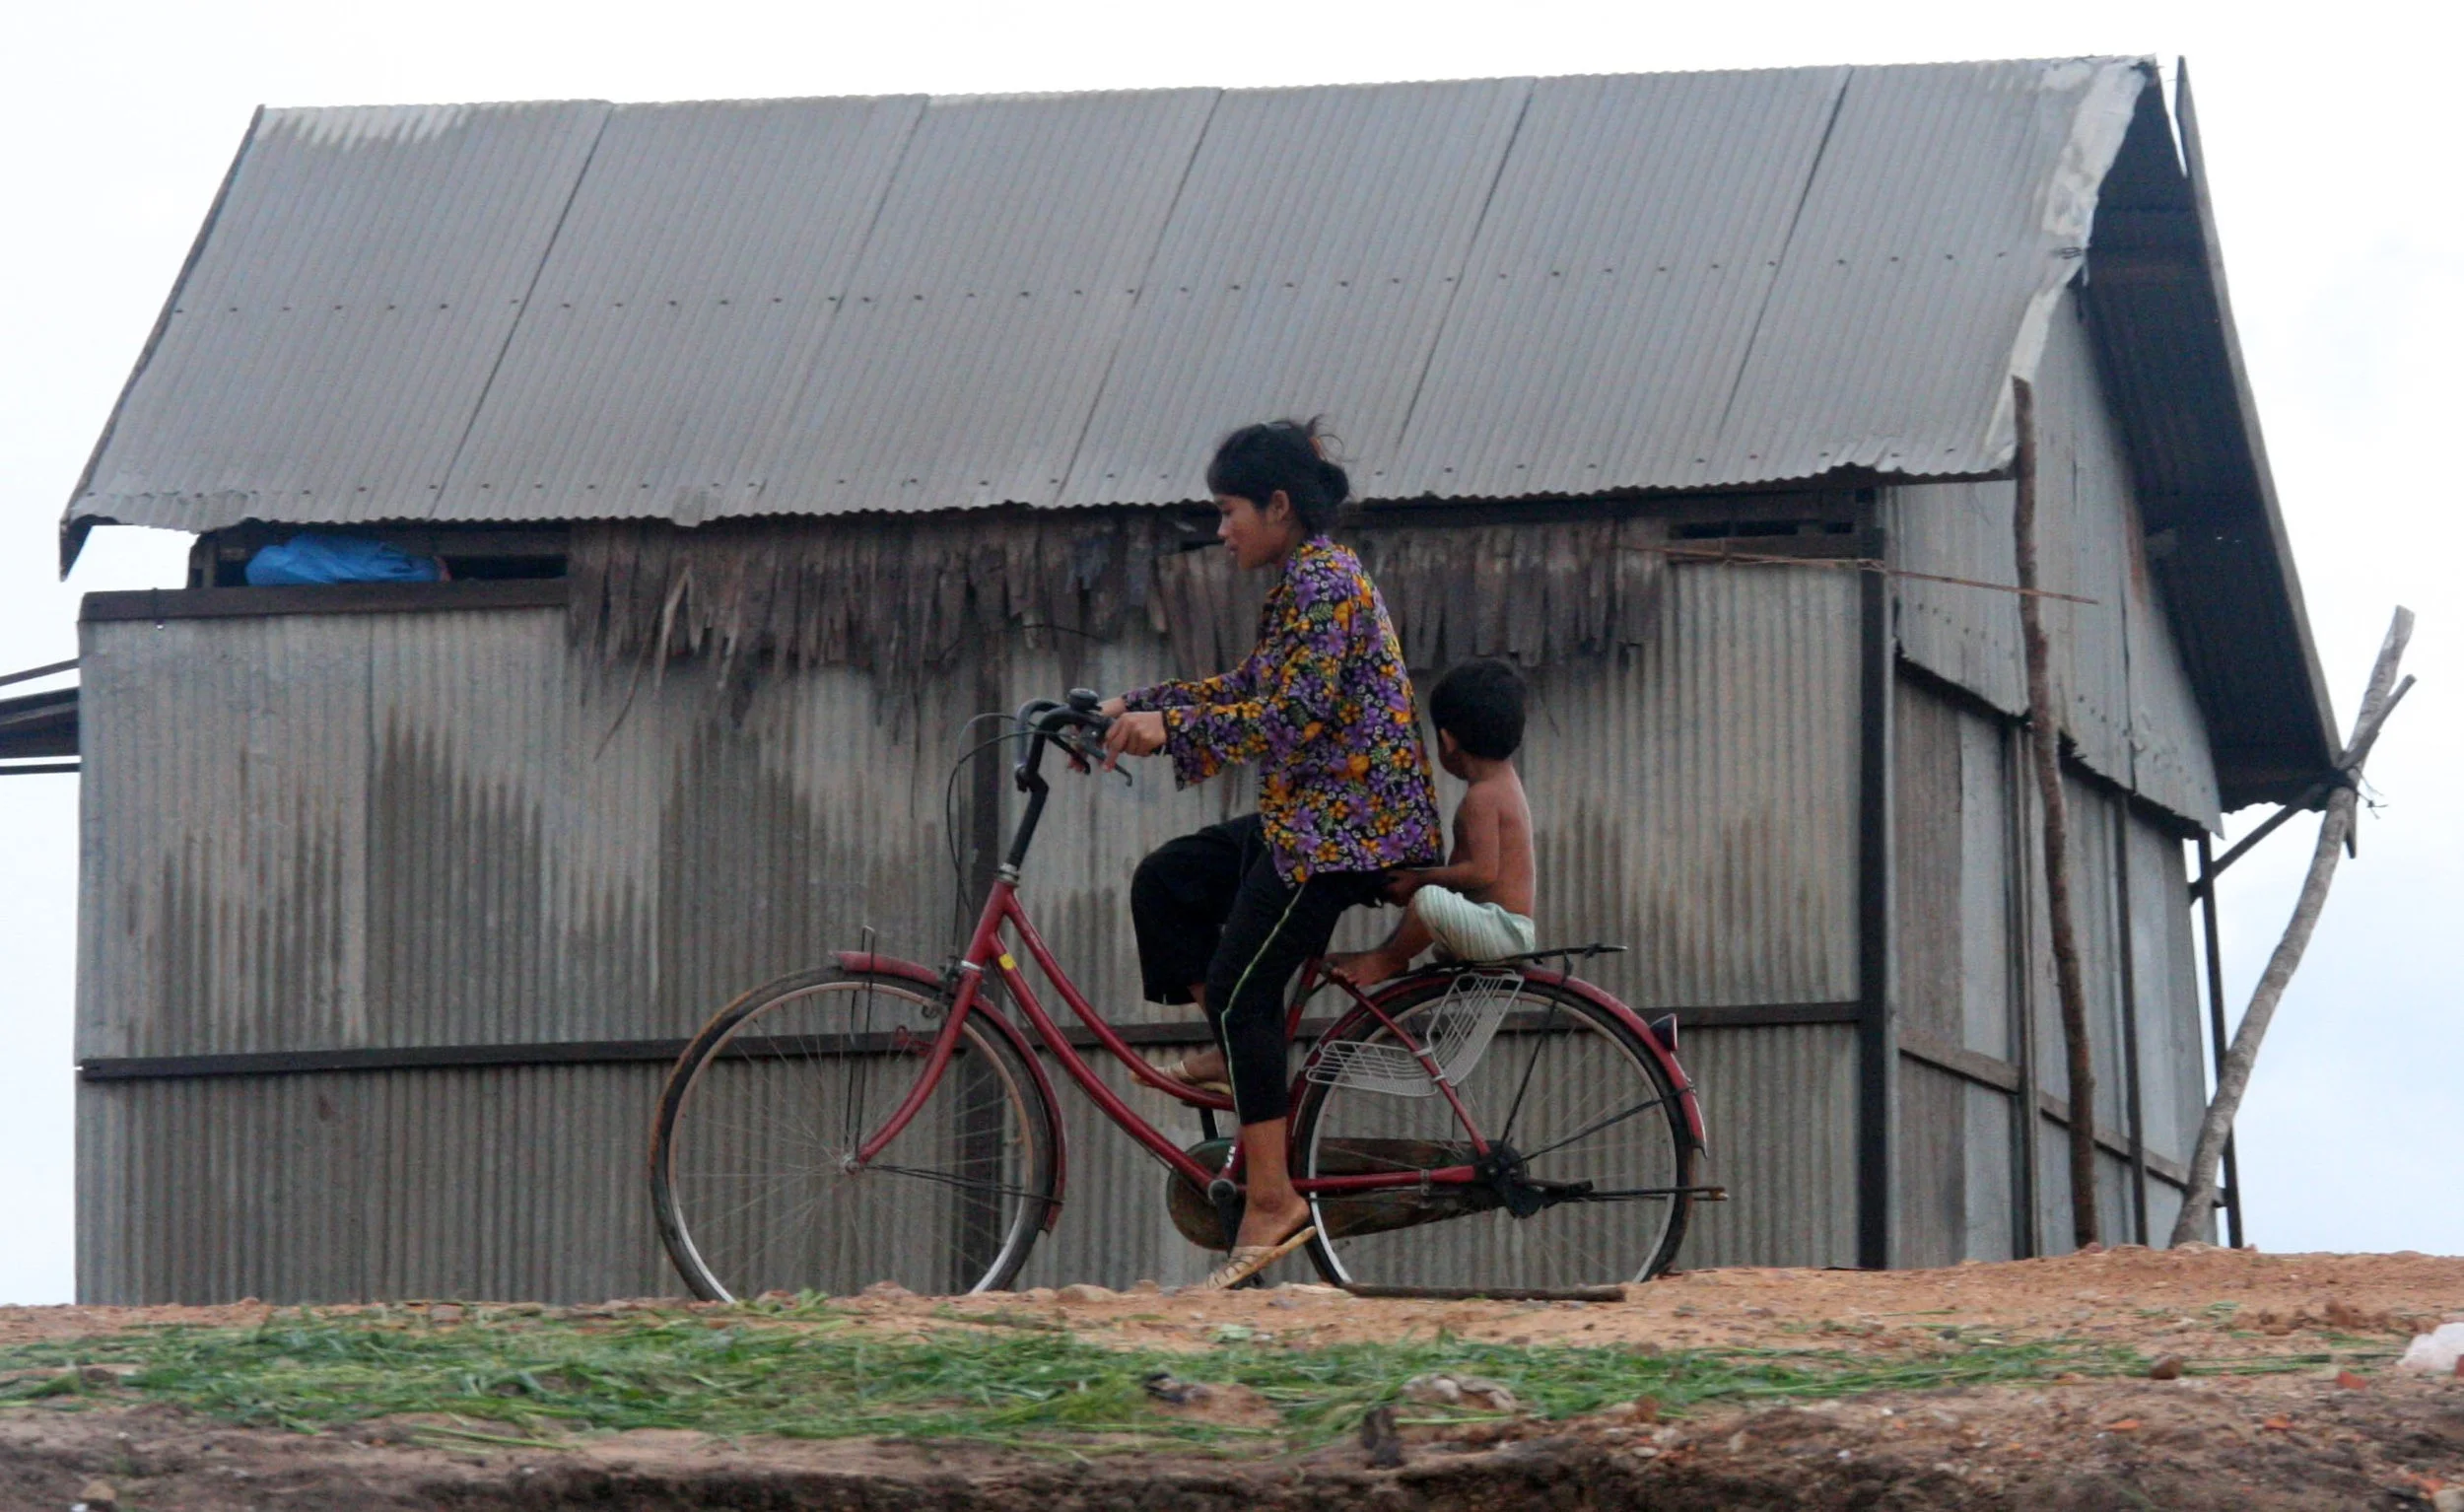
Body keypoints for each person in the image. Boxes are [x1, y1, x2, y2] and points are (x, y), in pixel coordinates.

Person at [1101, 418, 1442, 1289]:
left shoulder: (1326, 582)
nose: (1222, 531)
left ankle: (1272, 1198)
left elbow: (1294, 717)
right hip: (1309, 817)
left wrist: (1169, 726)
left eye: (1228, 512)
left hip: (1347, 829)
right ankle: (1234, 1045)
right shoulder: (1301, 583)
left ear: (1278, 506)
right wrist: (1129, 706)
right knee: (1170, 880)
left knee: (1250, 985)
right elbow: (1252, 688)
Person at [1331, 658, 1537, 986]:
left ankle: (1389, 959)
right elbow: (1457, 872)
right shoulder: (1503, 784)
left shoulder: (1482, 797)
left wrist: (1417, 881)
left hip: (1504, 932)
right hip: (1500, 927)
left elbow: (1482, 871)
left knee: (1430, 898)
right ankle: (1389, 954)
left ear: (1447, 740)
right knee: (1430, 894)